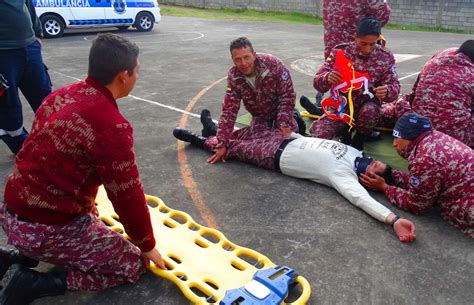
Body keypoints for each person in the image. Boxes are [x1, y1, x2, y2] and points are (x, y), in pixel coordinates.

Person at [0, 33, 166, 305]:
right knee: (132, 265)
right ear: (123, 76)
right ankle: (33, 283)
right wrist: (146, 246)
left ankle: (20, 256)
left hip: (12, 211)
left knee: (92, 214)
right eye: (136, 72)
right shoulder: (111, 126)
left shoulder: (61, 96)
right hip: (45, 227)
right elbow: (127, 196)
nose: (137, 77)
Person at [173, 111, 416, 243]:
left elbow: (360, 199)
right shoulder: (353, 153)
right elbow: (317, 142)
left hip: (275, 157)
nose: (373, 161)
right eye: (376, 161)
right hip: (287, 140)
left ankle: (200, 140)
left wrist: (393, 220)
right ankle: (215, 130)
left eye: (375, 167)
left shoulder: (344, 176)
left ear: (369, 179)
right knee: (249, 131)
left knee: (236, 149)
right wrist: (295, 135)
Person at [360, 113, 473, 238]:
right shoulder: (435, 136)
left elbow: (417, 205)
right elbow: (426, 180)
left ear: (410, 138)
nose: (394, 144)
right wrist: (392, 173)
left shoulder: (424, 159)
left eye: (397, 138)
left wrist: (384, 187)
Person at [309, 18, 400, 151]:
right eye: (363, 43)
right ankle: (345, 128)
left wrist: (387, 91)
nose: (367, 49)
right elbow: (317, 83)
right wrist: (327, 78)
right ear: (355, 37)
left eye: (372, 44)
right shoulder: (340, 52)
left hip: (368, 108)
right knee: (318, 136)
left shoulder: (385, 57)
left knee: (369, 111)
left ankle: (360, 137)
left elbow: (394, 87)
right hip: (341, 107)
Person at [207, 37, 299, 164]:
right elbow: (229, 110)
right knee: (256, 140)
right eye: (237, 59)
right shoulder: (234, 77)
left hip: (280, 113)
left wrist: (284, 124)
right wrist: (222, 143)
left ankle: (213, 132)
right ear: (233, 60)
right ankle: (214, 133)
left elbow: (287, 95)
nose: (243, 63)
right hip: (260, 117)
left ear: (254, 55)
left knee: (290, 138)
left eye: (246, 57)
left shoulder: (273, 64)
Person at [301, 0, 391, 112]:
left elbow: (382, 17)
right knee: (333, 78)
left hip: (358, 49)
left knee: (361, 88)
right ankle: (329, 107)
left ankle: (364, 114)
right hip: (335, 47)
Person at [381, 40, 474, 147]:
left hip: (419, 127)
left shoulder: (433, 62)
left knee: (401, 102)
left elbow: (414, 93)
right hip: (455, 137)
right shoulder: (471, 73)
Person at [0, 0, 52, 154]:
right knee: (8, 104)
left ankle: (54, 137)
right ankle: (22, 147)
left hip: (29, 47)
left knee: (44, 96)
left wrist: (37, 34)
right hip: (3, 52)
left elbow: (28, 5)